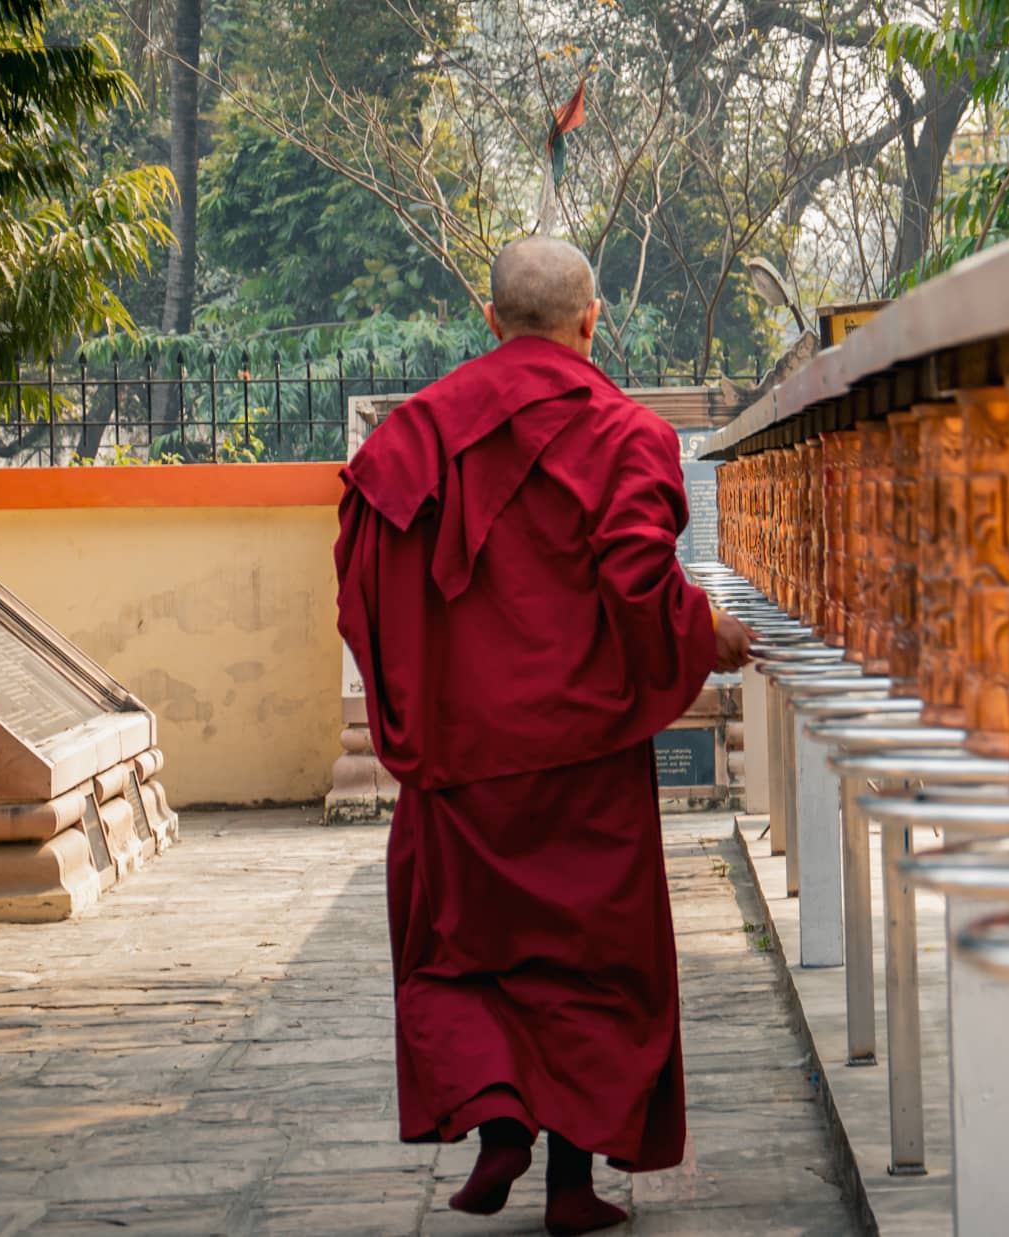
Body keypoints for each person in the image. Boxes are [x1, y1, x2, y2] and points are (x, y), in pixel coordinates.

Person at [333, 236, 753, 1234]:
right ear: (590, 320)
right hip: (584, 759)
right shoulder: (626, 433)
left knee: (462, 955)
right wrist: (709, 636)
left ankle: (498, 1129)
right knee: (592, 968)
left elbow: (362, 589)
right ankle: (571, 1184)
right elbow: (638, 575)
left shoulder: (414, 433)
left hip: (462, 756)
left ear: (489, 321)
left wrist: (417, 712)